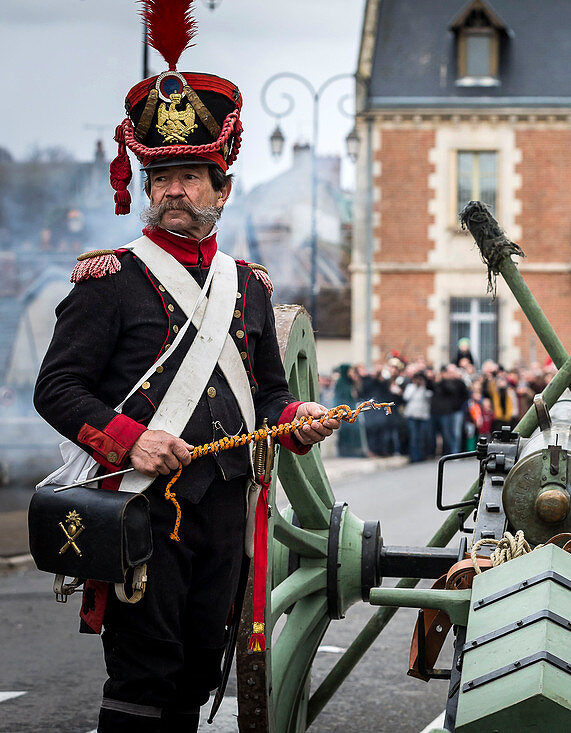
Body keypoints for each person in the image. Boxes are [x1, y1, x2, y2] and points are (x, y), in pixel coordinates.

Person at [32, 12, 341, 732]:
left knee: (202, 667)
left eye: (189, 176)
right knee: (144, 677)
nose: (173, 189)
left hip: (223, 511)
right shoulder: (108, 281)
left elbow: (269, 391)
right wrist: (130, 440)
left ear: (221, 188)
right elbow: (57, 389)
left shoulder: (252, 288)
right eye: (162, 176)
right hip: (141, 506)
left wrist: (297, 421)